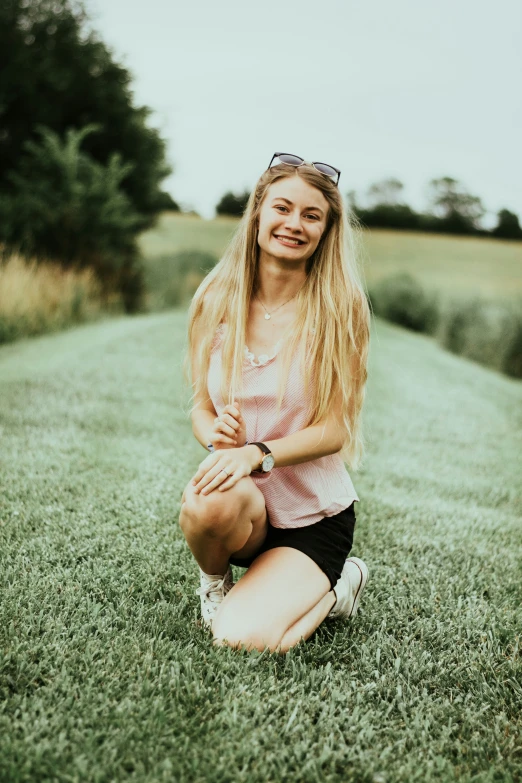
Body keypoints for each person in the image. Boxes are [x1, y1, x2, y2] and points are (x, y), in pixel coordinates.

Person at [179, 151, 371, 653]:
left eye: (312, 215)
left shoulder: (340, 307)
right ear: (259, 212)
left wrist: (256, 452)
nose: (294, 224)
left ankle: (339, 586)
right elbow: (200, 405)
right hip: (247, 512)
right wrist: (215, 435)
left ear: (327, 230)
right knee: (204, 501)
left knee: (243, 638)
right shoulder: (215, 298)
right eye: (282, 208)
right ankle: (216, 586)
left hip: (314, 518)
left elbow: (336, 430)